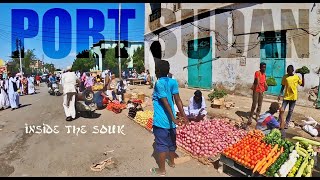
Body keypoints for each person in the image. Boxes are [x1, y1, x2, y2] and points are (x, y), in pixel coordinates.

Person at [150, 60, 189, 176]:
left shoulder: (158, 84)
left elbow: (165, 102)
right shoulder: (173, 82)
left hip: (161, 121)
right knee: (172, 144)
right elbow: (178, 100)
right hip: (172, 123)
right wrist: (183, 116)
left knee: (161, 146)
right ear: (168, 71)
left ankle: (161, 170)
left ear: (157, 71)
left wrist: (173, 118)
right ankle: (172, 163)